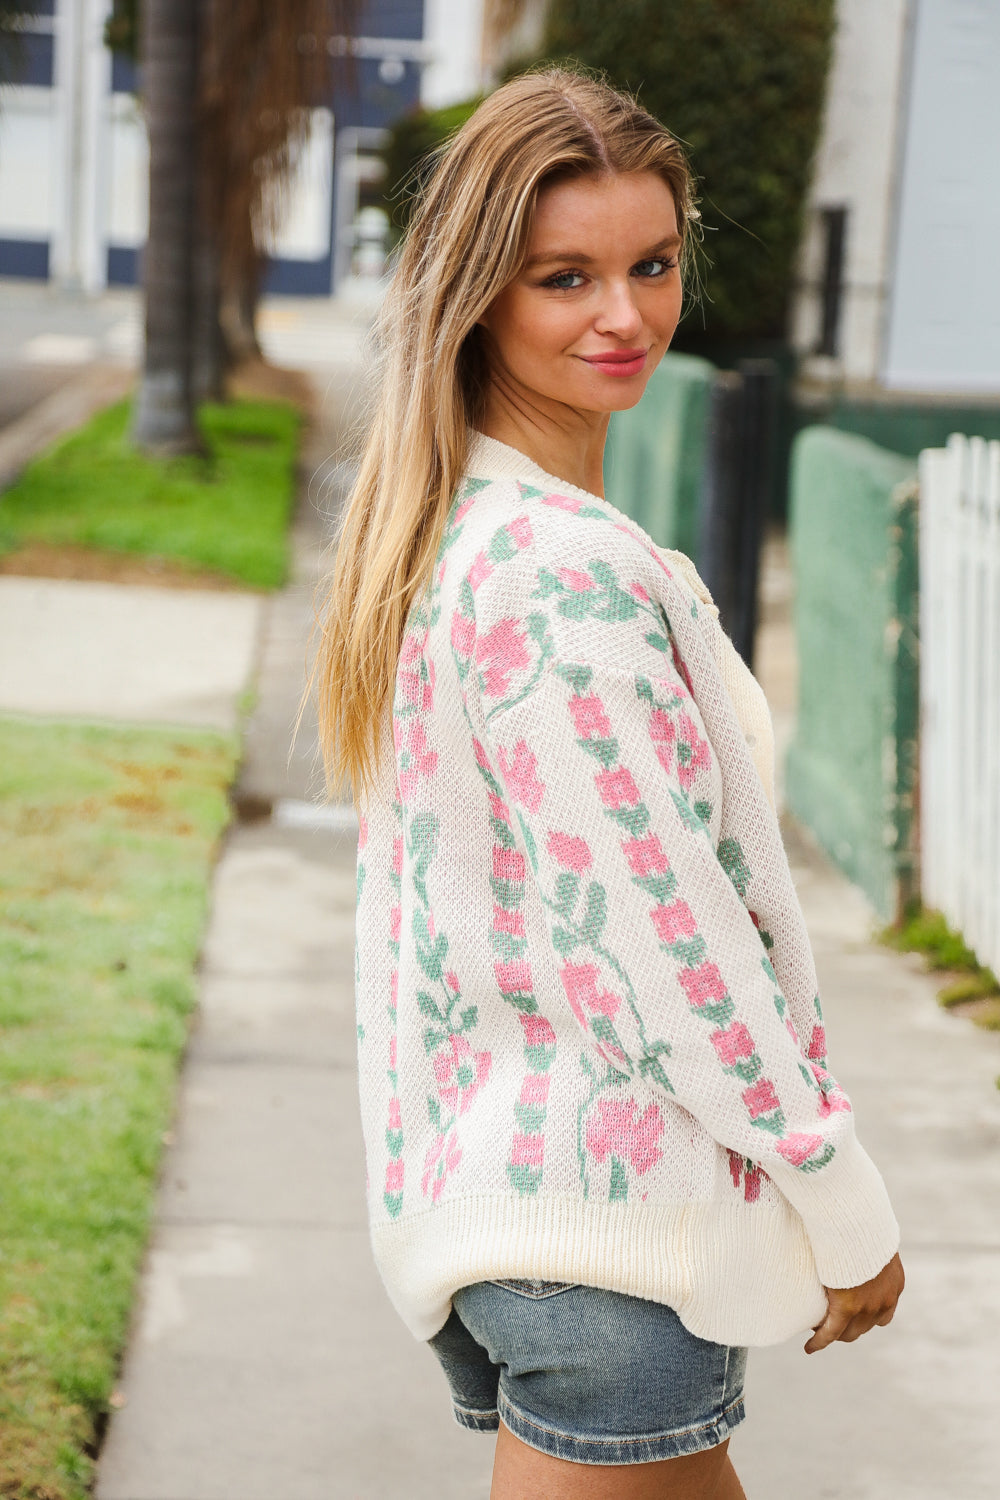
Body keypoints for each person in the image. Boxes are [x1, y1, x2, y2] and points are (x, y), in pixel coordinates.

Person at [314, 68, 904, 1499]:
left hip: (530, 1229)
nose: (625, 315)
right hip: (600, 1253)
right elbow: (667, 938)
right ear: (478, 295)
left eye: (651, 263)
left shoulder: (468, 539)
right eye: (564, 277)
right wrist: (841, 1196)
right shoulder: (561, 584)